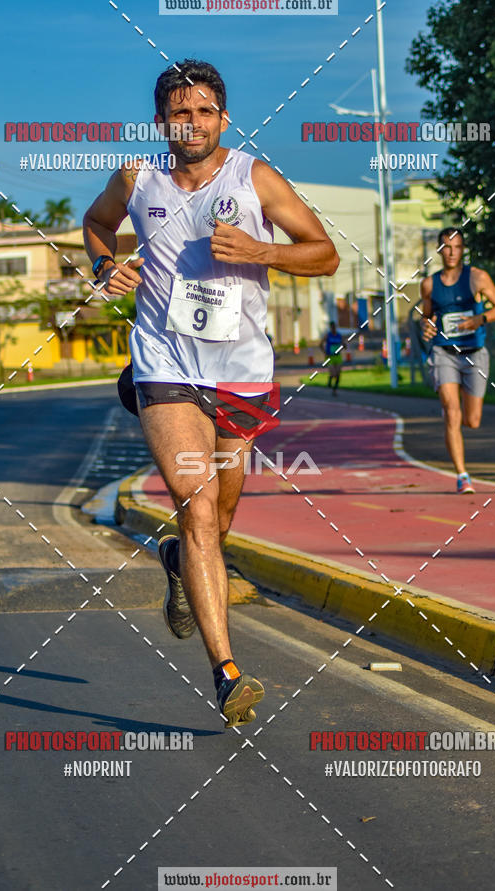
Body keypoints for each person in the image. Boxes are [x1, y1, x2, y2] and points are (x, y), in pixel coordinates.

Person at [83, 59, 339, 727]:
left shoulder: (252, 177)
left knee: (216, 521)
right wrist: (107, 265)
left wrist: (261, 252)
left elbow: (324, 252)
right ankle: (227, 673)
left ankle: (174, 558)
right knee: (197, 509)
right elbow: (95, 222)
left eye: (202, 111)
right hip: (164, 366)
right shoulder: (138, 178)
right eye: (178, 110)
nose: (190, 122)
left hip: (240, 370)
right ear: (161, 119)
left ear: (222, 118)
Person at [420, 228, 495, 493]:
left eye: (456, 247)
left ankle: (453, 415)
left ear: (463, 249)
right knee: (452, 413)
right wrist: (426, 327)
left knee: (473, 419)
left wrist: (480, 319)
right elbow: (426, 317)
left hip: (474, 354)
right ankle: (462, 475)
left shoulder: (478, 277)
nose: (451, 252)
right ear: (439, 250)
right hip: (444, 353)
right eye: (446, 247)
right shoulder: (429, 284)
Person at [320, 321, 343, 396]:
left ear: (336, 327)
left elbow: (343, 344)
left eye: (335, 327)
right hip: (330, 357)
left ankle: (334, 390)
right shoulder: (328, 335)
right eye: (332, 327)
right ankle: (330, 380)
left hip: (338, 357)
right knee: (333, 374)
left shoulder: (339, 335)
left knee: (338, 374)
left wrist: (344, 346)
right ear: (330, 328)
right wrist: (325, 352)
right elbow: (320, 344)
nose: (333, 328)